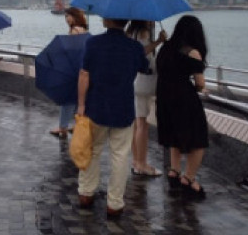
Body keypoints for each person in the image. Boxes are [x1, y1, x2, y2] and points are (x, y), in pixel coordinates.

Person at [77, 17, 151, 219]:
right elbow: (145, 67)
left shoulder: (92, 42)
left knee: (92, 151)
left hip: (96, 106)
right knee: (120, 155)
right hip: (123, 107)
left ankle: (86, 193)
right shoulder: (134, 47)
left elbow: (84, 74)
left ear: (108, 20)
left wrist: (81, 105)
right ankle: (115, 204)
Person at [155, 15, 209, 200]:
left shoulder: (165, 47)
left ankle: (174, 170)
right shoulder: (192, 52)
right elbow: (200, 83)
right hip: (183, 99)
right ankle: (189, 178)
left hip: (163, 98)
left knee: (174, 135)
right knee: (199, 137)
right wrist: (198, 87)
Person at [127, 19, 167, 177]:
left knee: (136, 124)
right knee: (142, 124)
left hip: (133, 80)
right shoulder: (142, 32)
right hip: (143, 82)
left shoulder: (129, 32)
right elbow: (142, 52)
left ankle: (136, 162)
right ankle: (142, 164)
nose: (151, 21)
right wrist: (159, 41)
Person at [50, 7, 89, 138]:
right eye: (65, 16)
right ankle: (76, 124)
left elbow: (71, 52)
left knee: (66, 99)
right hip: (82, 68)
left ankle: (62, 127)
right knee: (78, 99)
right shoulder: (84, 30)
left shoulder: (74, 31)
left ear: (75, 16)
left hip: (73, 70)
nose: (67, 19)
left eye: (69, 16)